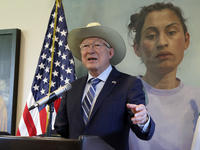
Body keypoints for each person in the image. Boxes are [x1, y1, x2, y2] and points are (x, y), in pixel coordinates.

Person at [54, 22, 155, 150]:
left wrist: (143, 120)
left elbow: (142, 132)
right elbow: (61, 130)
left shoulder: (129, 83)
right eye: (85, 46)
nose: (90, 50)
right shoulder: (71, 88)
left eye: (97, 45)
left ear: (110, 53)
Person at [128, 2, 200, 150]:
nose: (162, 42)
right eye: (152, 35)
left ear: (186, 39)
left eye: (171, 32)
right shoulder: (121, 94)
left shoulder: (197, 99)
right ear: (137, 48)